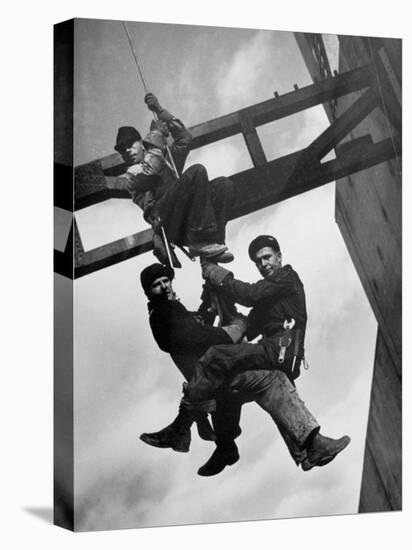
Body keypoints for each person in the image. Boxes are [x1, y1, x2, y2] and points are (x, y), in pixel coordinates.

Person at [163, 235, 351, 472]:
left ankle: (184, 422)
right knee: (230, 385)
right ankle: (299, 449)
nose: (263, 264)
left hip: (279, 350)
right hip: (277, 354)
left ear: (279, 257)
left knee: (216, 356)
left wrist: (215, 273)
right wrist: (216, 302)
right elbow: (248, 327)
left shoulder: (286, 277)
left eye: (267, 257)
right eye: (258, 261)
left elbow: (249, 294)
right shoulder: (270, 296)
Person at [139, 262, 247, 475]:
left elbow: (194, 325)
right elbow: (195, 335)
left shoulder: (171, 309)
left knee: (220, 403)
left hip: (203, 371)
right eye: (157, 285)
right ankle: (212, 441)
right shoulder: (161, 312)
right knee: (221, 396)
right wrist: (229, 333)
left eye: (166, 281)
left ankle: (221, 446)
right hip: (204, 369)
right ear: (148, 293)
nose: (164, 286)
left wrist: (207, 302)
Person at [114, 94, 235, 263]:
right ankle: (201, 241)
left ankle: (213, 245)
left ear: (140, 143)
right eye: (122, 150)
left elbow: (185, 139)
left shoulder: (165, 159)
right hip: (166, 221)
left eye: (130, 145)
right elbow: (151, 170)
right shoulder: (132, 176)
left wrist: (160, 111)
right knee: (197, 171)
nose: (127, 151)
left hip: (187, 220)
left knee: (224, 184)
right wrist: (156, 134)